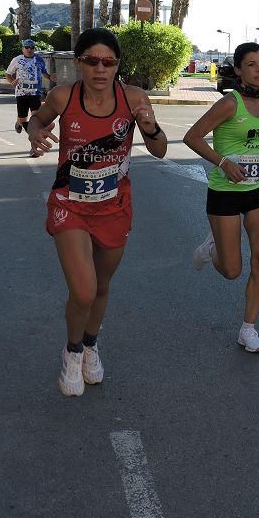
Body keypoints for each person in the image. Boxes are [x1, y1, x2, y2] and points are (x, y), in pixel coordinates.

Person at [26, 28, 167, 397]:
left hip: (114, 208)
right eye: (92, 61)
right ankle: (72, 352)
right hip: (69, 205)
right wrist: (34, 132)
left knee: (102, 286)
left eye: (108, 62)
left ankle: (90, 344)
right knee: (84, 290)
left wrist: (150, 129)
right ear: (79, 63)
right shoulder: (63, 96)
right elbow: (36, 119)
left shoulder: (134, 98)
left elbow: (161, 150)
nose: (100, 69)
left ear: (117, 65)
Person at [183, 42, 259, 353]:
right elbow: (191, 137)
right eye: (251, 64)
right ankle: (212, 247)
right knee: (232, 270)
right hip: (224, 193)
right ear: (238, 70)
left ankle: (248, 329)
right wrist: (223, 162)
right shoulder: (229, 104)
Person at [6, 38, 56, 155]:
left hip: (35, 93)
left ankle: (34, 149)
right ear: (22, 48)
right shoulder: (17, 60)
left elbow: (44, 72)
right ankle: (19, 122)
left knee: (35, 121)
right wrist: (12, 82)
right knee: (24, 119)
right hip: (21, 93)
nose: (29, 50)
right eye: (26, 47)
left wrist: (50, 77)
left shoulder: (39, 59)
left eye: (32, 47)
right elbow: (8, 74)